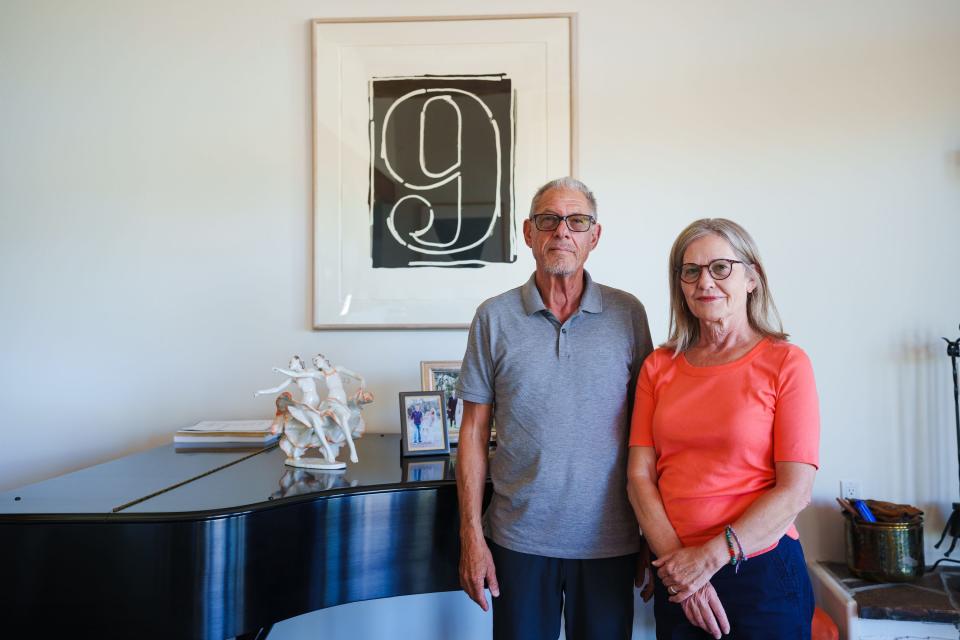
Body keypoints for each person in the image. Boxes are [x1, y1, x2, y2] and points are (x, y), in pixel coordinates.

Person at [456, 177, 654, 640]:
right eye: (549, 220)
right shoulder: (494, 317)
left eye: (577, 221)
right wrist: (471, 536)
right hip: (517, 542)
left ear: (594, 236)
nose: (562, 231)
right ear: (529, 233)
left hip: (610, 543)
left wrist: (650, 533)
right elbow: (471, 434)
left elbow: (650, 433)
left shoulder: (629, 315)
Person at [627, 218, 819, 639]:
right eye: (690, 270)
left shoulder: (787, 363)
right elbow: (639, 476)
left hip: (760, 571)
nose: (704, 281)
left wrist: (710, 558)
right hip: (676, 572)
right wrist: (681, 565)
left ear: (752, 277)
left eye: (720, 267)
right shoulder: (658, 367)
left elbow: (795, 490)